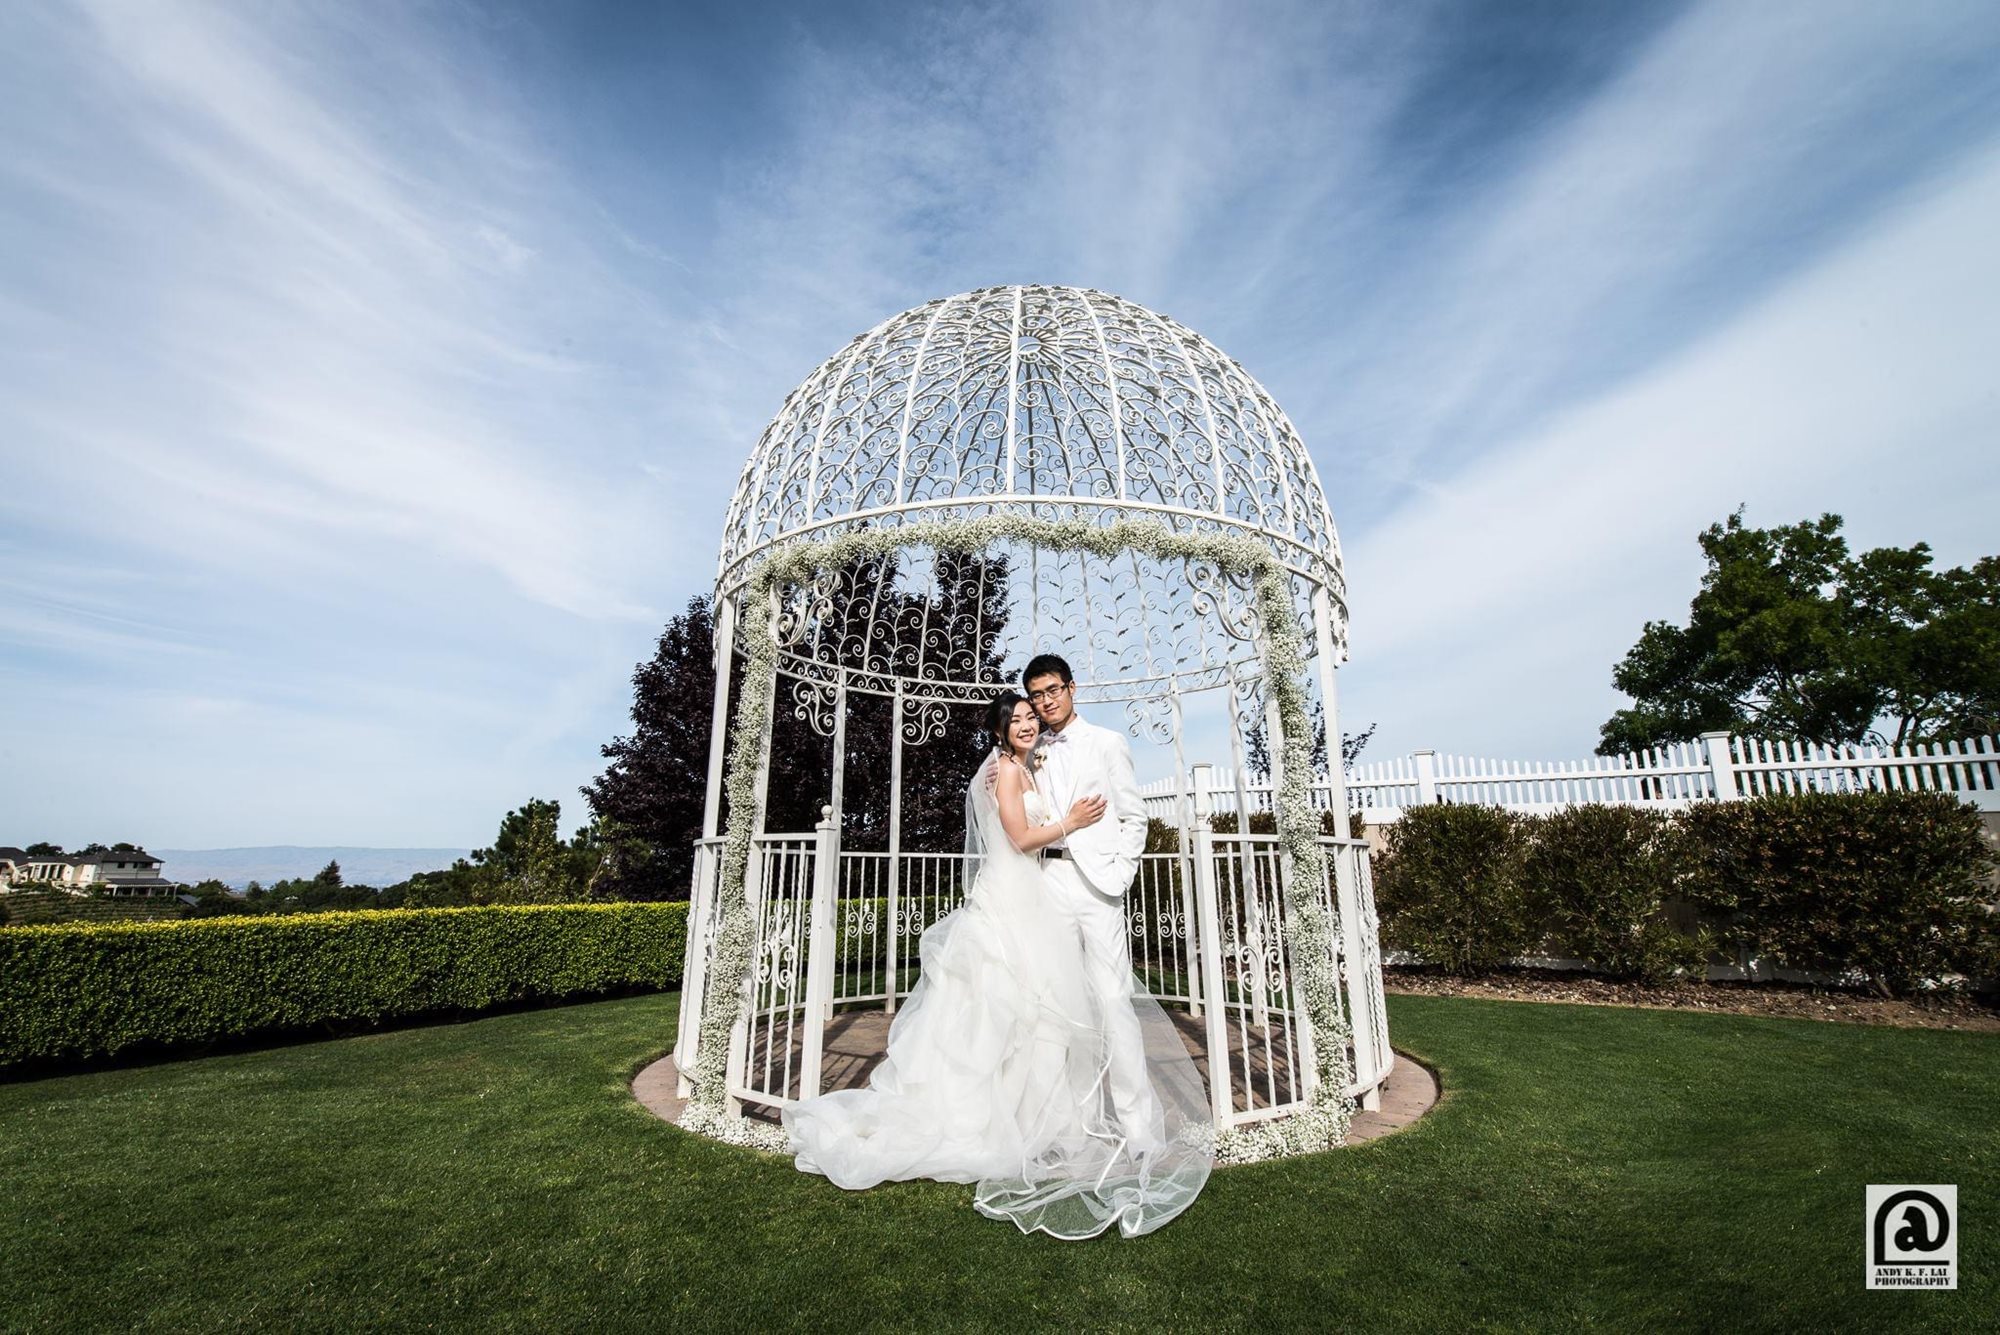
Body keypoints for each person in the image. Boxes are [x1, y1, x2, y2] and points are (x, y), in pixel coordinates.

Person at [782, 688, 1213, 1239]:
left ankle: (1033, 1115)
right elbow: (1019, 835)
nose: (1028, 724)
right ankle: (991, 1119)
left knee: (1036, 1015)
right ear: (1000, 731)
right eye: (1018, 719)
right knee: (1006, 1008)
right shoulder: (1007, 772)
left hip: (1032, 895)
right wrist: (1074, 822)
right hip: (1010, 901)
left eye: (1032, 716)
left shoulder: (1021, 768)